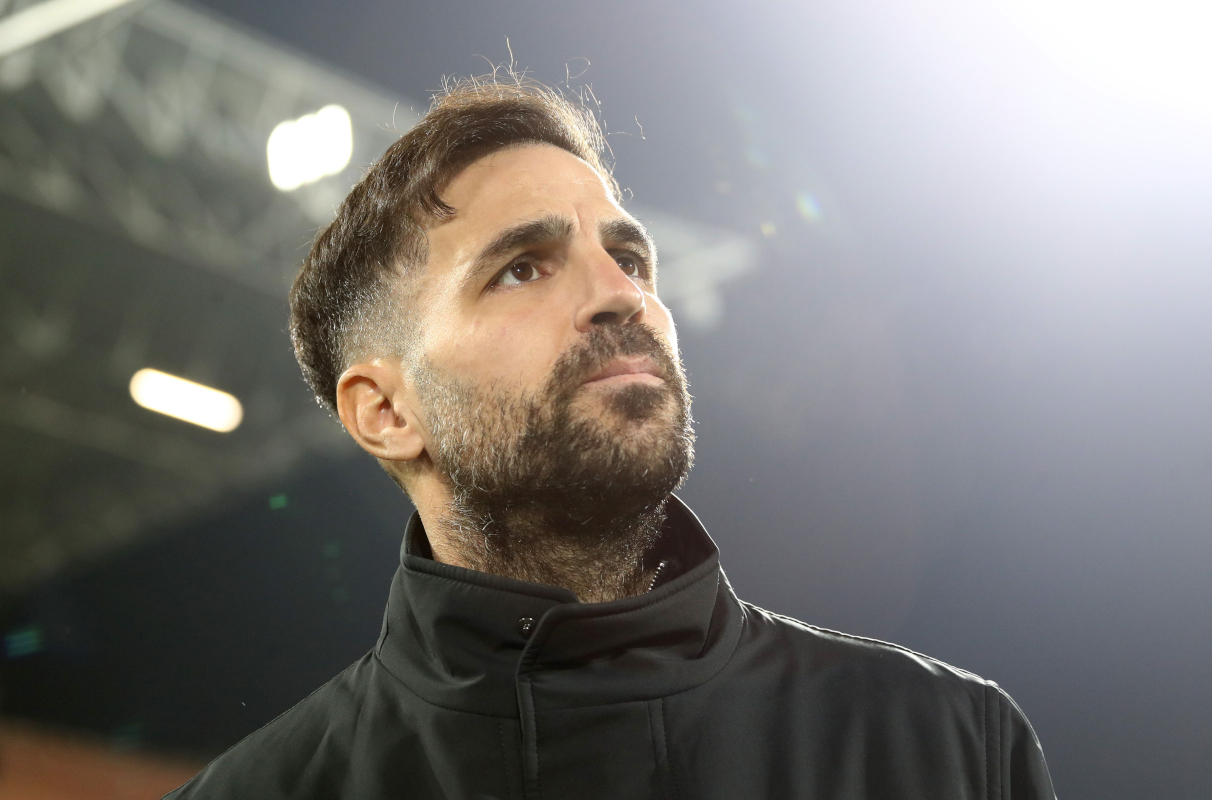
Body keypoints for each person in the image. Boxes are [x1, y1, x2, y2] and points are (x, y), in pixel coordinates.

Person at [166, 76, 1056, 800]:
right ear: (387, 413)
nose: (624, 296)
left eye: (628, 259)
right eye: (522, 268)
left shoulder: (947, 749)